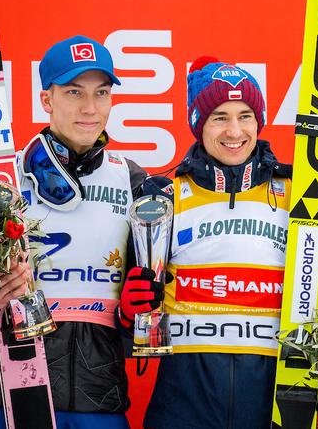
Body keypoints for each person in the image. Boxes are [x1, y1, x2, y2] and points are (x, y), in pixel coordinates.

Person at [0, 35, 149, 428]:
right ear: (46, 100)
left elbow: (143, 310)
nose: (90, 108)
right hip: (8, 399)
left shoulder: (132, 180)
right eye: (74, 92)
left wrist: (134, 312)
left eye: (101, 93)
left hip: (97, 403)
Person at [119, 57, 292, 429]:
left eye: (245, 115)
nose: (235, 130)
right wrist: (128, 314)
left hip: (272, 404)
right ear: (198, 124)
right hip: (184, 403)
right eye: (220, 117)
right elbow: (131, 322)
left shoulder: (297, 195)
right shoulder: (161, 197)